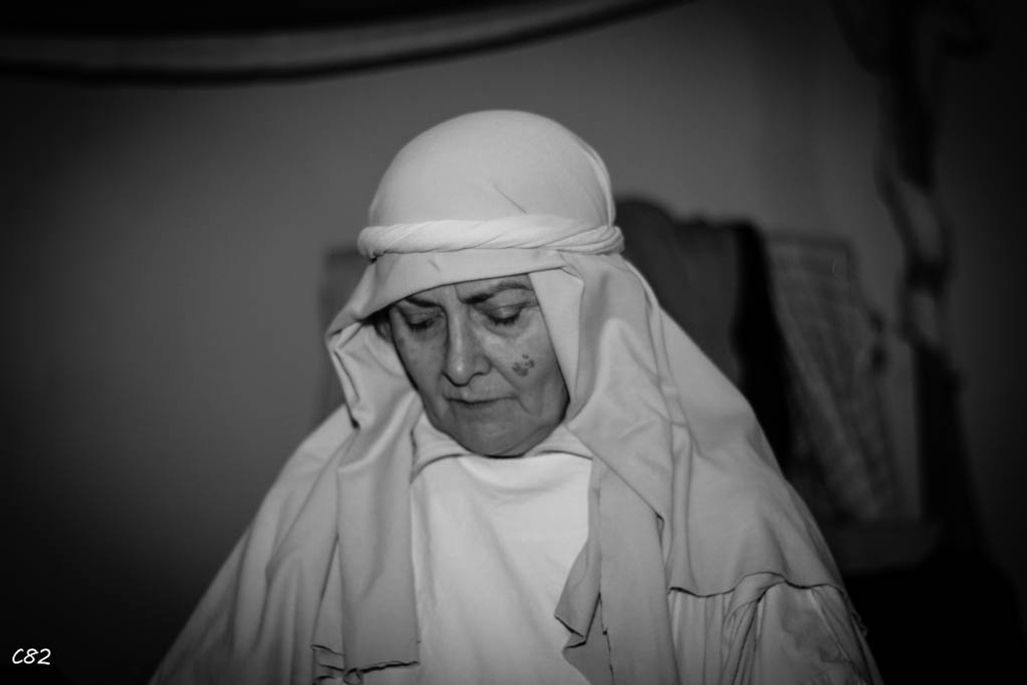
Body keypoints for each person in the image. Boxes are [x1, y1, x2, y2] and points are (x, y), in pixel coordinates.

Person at [151, 110, 882, 684]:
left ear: (587, 314)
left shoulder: (731, 528)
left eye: (501, 315)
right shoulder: (320, 512)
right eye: (420, 322)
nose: (458, 365)